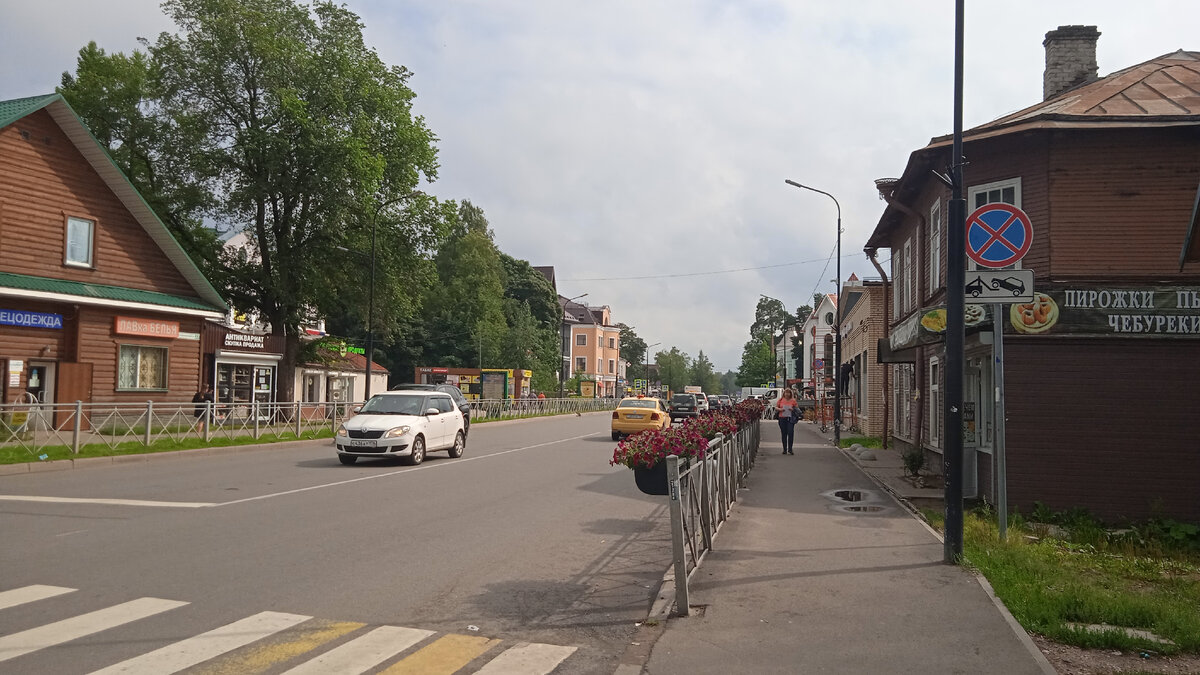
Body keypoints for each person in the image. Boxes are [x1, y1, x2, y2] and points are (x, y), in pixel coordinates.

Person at [776, 388, 800, 455]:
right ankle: (784, 449)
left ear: (790, 394)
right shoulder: (781, 400)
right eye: (786, 392)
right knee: (784, 433)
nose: (787, 394)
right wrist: (780, 409)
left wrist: (792, 409)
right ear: (784, 393)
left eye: (788, 393)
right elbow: (776, 407)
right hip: (782, 418)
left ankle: (790, 449)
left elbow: (797, 409)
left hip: (790, 419)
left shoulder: (793, 401)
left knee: (790, 432)